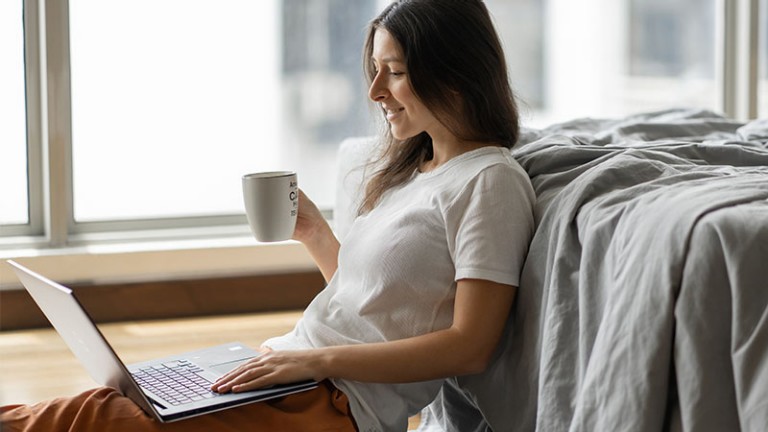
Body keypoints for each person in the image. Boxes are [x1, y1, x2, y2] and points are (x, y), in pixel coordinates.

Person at [0, 0, 535, 431]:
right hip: (291, 374)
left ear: (455, 75)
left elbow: (472, 345)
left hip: (333, 405)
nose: (375, 92)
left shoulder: (489, 181)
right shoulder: (416, 169)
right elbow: (372, 305)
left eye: (393, 73)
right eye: (375, 71)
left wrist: (315, 363)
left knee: (95, 418)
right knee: (90, 405)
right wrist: (316, 235)